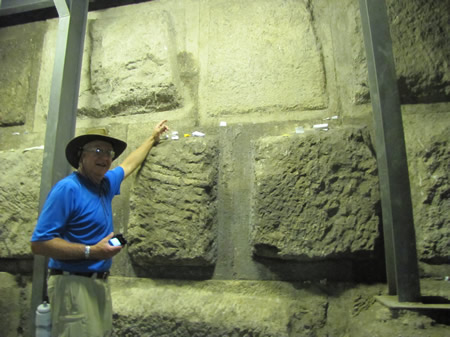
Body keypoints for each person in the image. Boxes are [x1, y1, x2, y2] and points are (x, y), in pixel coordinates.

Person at [30, 120, 169, 337]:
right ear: (81, 156)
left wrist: (152, 138)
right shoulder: (68, 189)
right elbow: (39, 243)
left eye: (108, 152)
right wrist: (91, 251)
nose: (105, 157)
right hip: (72, 285)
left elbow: (129, 164)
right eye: (97, 150)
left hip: (99, 284)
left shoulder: (104, 183)